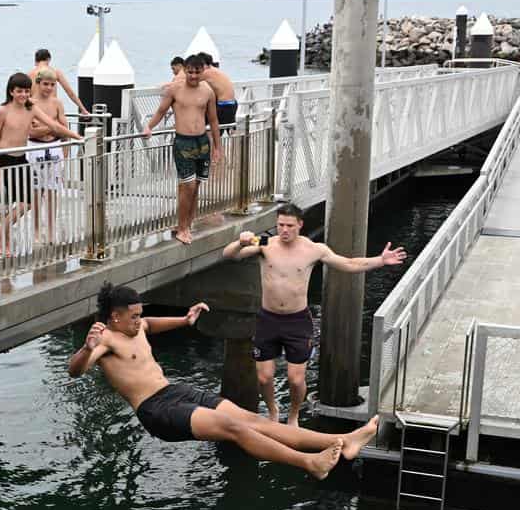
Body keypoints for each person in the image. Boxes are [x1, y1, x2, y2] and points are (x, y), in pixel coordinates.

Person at [68, 283, 380, 478]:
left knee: (253, 420)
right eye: (132, 316)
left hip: (174, 391)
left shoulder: (139, 327)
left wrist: (185, 320)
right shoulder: (105, 340)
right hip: (155, 411)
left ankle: (345, 441)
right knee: (235, 429)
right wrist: (86, 349)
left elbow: (151, 324)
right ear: (114, 317)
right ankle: (309, 463)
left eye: (139, 314)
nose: (138, 320)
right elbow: (75, 371)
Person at [222, 204, 407, 425]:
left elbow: (347, 263)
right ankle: (272, 410)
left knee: (296, 379)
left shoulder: (314, 249)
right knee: (264, 377)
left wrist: (380, 260)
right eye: (280, 225)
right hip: (268, 319)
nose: (284, 230)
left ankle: (293, 414)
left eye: (289, 226)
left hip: (297, 320)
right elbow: (230, 255)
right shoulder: (265, 243)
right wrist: (240, 242)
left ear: (300, 225)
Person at [0, 73, 81, 256]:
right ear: (11, 92)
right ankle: (3, 245)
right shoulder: (3, 111)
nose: (23, 95)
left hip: (22, 159)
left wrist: (76, 136)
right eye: (19, 91)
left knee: (27, 202)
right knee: (6, 205)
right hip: (4, 159)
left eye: (26, 91)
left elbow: (54, 125)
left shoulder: (31, 108)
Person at [142, 55, 223, 245]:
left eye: (197, 72)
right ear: (184, 70)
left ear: (203, 71)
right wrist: (149, 127)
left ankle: (188, 224)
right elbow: (161, 111)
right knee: (189, 185)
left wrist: (218, 147)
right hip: (183, 143)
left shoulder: (208, 91)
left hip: (202, 142)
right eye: (190, 71)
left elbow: (213, 120)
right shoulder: (175, 89)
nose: (194, 76)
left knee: (196, 187)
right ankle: (182, 227)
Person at [26, 69, 71, 244]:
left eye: (52, 84)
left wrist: (65, 153)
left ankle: (51, 230)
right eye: (46, 84)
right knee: (36, 192)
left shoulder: (57, 103)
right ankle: (36, 231)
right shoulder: (30, 103)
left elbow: (64, 128)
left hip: (54, 148)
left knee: (52, 192)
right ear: (38, 83)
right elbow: (30, 130)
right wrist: (53, 126)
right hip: (35, 147)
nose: (49, 88)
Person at [29, 48, 91, 117]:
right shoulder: (55, 72)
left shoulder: (29, 75)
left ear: (36, 61)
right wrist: (83, 109)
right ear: (49, 59)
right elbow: (70, 93)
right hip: (51, 110)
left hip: (36, 111)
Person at [197, 52, 238, 126]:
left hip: (223, 105)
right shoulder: (215, 70)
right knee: (227, 130)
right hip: (233, 103)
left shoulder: (206, 72)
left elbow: (190, 82)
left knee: (209, 126)